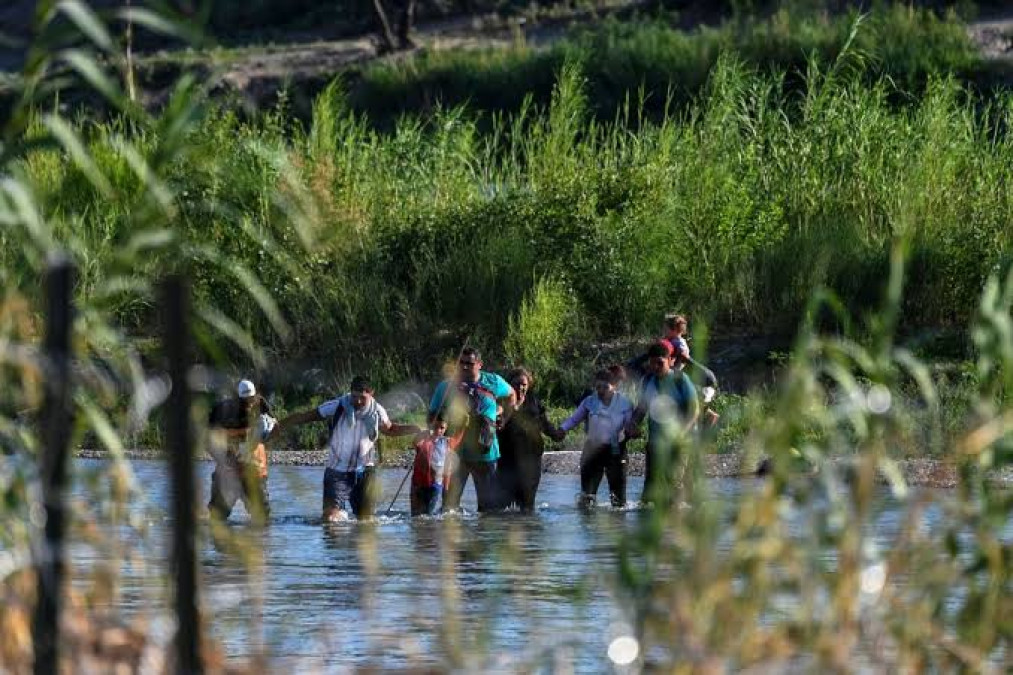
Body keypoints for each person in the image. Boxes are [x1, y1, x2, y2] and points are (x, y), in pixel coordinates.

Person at [278, 375, 422, 521]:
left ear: (371, 393)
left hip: (365, 472)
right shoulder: (338, 406)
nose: (357, 401)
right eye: (354, 397)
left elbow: (391, 429)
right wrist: (280, 425)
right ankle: (339, 522)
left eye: (362, 398)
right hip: (337, 472)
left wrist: (416, 429)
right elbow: (307, 416)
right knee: (330, 519)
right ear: (350, 393)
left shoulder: (377, 411)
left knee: (366, 522)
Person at [429, 347, 516, 513]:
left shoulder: (494, 382)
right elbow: (432, 415)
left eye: (469, 363)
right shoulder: (446, 387)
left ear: (479, 364)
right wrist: (434, 431)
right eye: (461, 363)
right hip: (455, 454)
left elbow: (512, 394)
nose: (464, 367)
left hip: (485, 453)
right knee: (449, 508)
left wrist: (503, 417)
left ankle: (482, 538)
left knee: (488, 510)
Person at [628, 341, 700, 505]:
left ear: (670, 361)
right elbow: (641, 408)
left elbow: (694, 411)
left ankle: (678, 522)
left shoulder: (680, 379)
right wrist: (632, 424)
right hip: (655, 443)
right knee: (649, 494)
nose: (655, 367)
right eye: (652, 363)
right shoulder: (648, 380)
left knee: (673, 485)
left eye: (659, 362)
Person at [557, 367, 634, 510]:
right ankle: (588, 527)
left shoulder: (625, 403)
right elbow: (574, 419)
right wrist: (562, 429)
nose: (601, 390)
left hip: (616, 452)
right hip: (592, 451)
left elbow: (630, 425)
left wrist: (632, 431)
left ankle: (618, 527)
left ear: (614, 386)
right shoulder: (589, 401)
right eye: (598, 387)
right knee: (587, 498)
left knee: (618, 502)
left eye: (605, 387)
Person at [207, 379, 277, 524]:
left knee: (262, 520)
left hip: (254, 471)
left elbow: (275, 428)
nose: (249, 405)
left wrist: (265, 432)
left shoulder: (262, 407)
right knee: (216, 519)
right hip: (228, 471)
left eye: (251, 400)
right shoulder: (223, 411)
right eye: (244, 402)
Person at [497, 367, 560, 513]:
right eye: (516, 384)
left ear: (529, 385)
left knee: (527, 502)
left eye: (524, 384)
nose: (520, 387)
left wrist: (556, 434)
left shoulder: (534, 402)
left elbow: (544, 423)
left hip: (531, 459)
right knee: (504, 503)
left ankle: (528, 529)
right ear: (509, 385)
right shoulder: (502, 402)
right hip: (507, 458)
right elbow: (495, 423)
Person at [409, 415, 464, 516]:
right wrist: (422, 434)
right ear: (431, 426)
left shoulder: (447, 442)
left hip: (435, 486)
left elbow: (458, 437)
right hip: (417, 484)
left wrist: (464, 423)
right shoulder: (424, 440)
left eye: (442, 428)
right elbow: (415, 442)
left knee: (427, 516)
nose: (438, 430)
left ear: (446, 428)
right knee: (415, 516)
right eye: (435, 427)